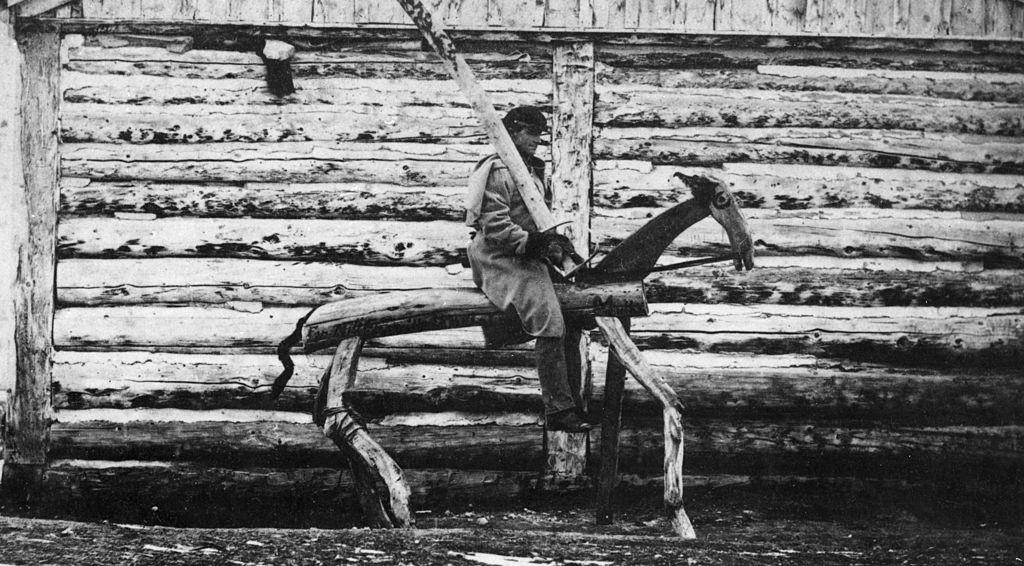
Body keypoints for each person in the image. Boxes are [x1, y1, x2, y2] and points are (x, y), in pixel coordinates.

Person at [464, 106, 591, 433]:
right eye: (529, 133)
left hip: (523, 253)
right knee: (548, 317)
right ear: (512, 133)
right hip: (498, 257)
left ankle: (574, 402)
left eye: (538, 134)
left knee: (573, 317)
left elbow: (534, 218)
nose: (536, 140)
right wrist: (535, 244)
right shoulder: (498, 171)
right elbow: (494, 228)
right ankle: (559, 412)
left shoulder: (530, 170)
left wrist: (553, 242)